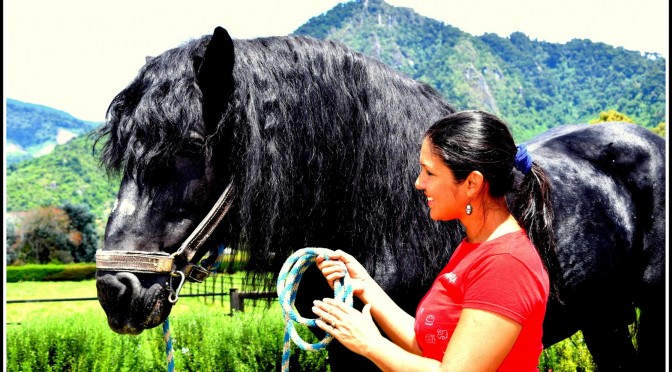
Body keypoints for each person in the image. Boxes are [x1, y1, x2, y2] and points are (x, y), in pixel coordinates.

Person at [312, 110, 560, 371]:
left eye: (429, 173)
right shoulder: (475, 247)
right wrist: (364, 286)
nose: (419, 183)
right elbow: (427, 344)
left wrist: (370, 344)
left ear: (472, 183)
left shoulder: (506, 264)